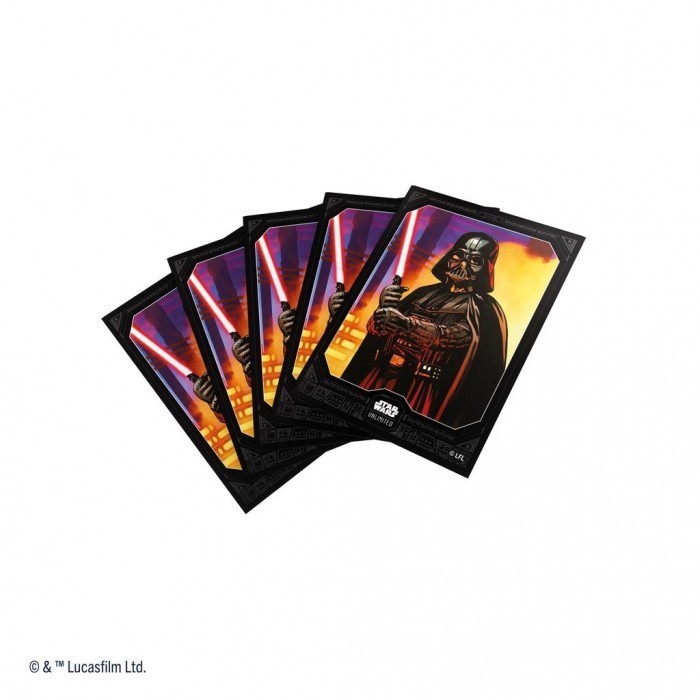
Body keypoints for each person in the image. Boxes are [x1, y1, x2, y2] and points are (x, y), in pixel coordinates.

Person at [342, 233, 508, 428]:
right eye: (459, 255)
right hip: (379, 375)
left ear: (487, 268)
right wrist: (383, 310)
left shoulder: (483, 309)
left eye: (475, 261)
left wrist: (405, 324)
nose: (462, 265)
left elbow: (458, 335)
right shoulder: (422, 294)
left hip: (421, 389)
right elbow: (376, 333)